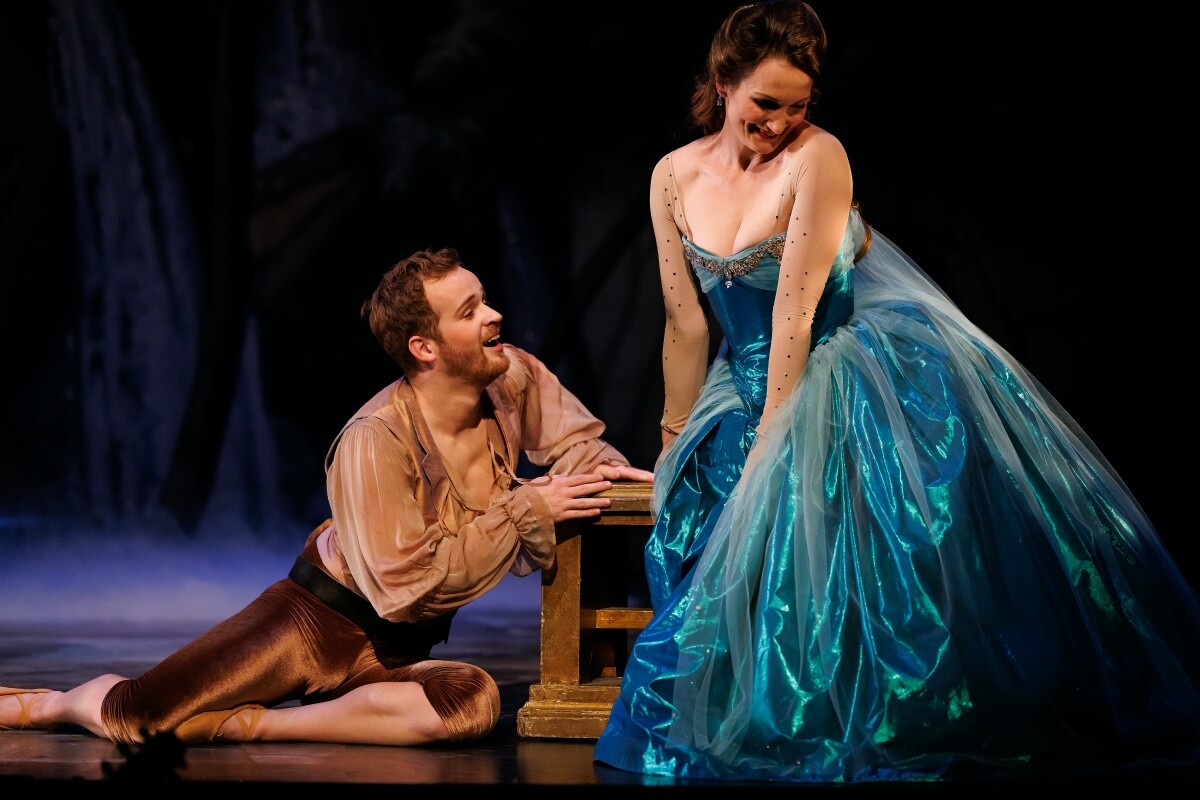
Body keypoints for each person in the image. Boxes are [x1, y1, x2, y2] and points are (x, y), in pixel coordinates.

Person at [593, 0, 1200, 784]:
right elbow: (684, 322)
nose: (779, 123)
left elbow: (794, 315)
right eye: (763, 104)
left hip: (832, 369)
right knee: (695, 516)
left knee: (822, 535)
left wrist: (776, 448)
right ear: (721, 83)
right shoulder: (672, 176)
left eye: (797, 106)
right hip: (739, 380)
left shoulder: (820, 158)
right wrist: (675, 435)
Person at [0, 246, 653, 746]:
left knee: (470, 703)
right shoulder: (373, 439)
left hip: (396, 651)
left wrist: (619, 477)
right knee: (137, 720)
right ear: (424, 348)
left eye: (483, 301)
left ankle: (253, 727)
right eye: (470, 312)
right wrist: (530, 507)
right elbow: (405, 590)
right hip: (312, 623)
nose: (494, 317)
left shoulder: (511, 377)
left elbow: (577, 445)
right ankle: (52, 703)